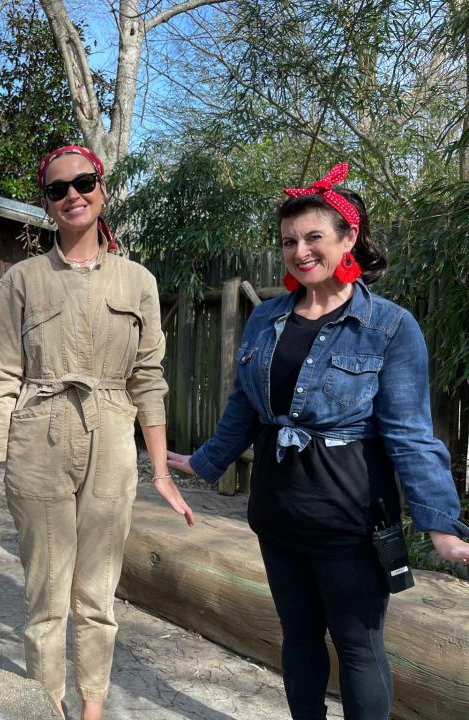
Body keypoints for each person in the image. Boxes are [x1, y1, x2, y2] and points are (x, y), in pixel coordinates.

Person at [168, 163, 469, 720]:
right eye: (288, 241)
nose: (300, 251)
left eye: (313, 237)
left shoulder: (390, 326)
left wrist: (439, 524)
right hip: (278, 513)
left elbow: (409, 432)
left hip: (351, 520)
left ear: (349, 238)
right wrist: (205, 461)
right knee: (299, 638)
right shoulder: (267, 318)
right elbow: (244, 404)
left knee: (357, 647)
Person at [0, 145, 195, 720]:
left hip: (111, 437)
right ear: (46, 204)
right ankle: (46, 704)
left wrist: (160, 471)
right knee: (46, 593)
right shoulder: (22, 281)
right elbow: (2, 376)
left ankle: (94, 708)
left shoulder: (139, 282)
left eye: (83, 183)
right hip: (39, 435)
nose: (72, 195)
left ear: (101, 189)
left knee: (98, 593)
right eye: (58, 189)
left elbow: (149, 378)